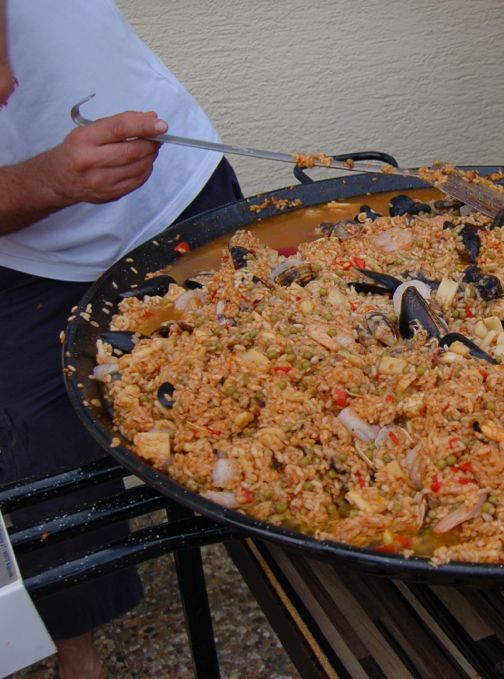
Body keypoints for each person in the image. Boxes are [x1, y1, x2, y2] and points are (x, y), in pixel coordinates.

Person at [0, 1, 242, 677]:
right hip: (26, 261)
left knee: (258, 391)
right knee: (42, 482)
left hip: (180, 186)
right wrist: (46, 179)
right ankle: (78, 659)